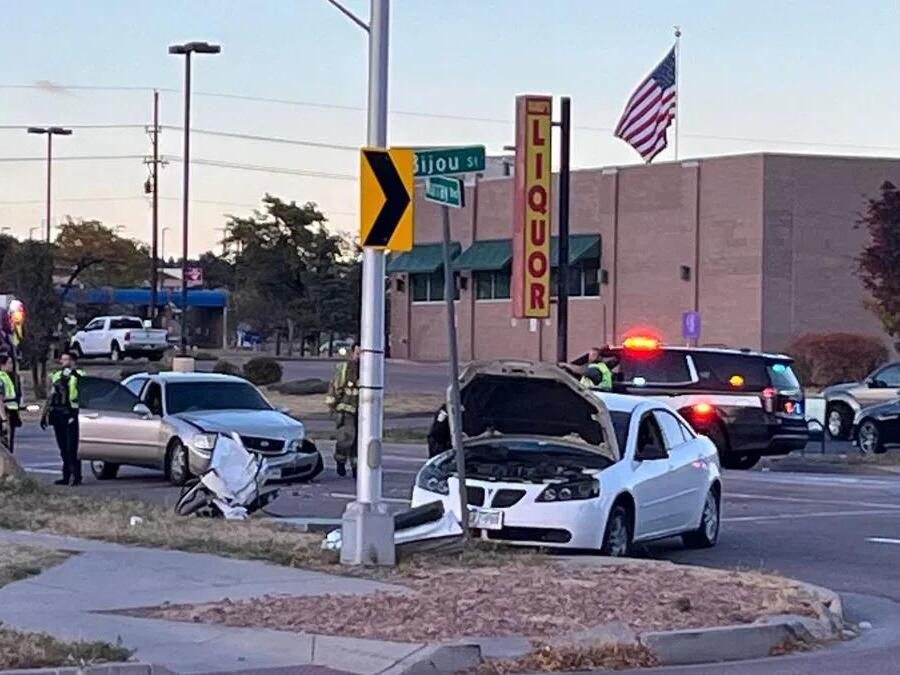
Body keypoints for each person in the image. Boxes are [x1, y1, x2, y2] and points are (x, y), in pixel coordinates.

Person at [40, 352, 84, 486]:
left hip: (72, 412)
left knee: (72, 446)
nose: (62, 362)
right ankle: (66, 476)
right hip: (58, 413)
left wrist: (72, 375)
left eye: (65, 359)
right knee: (63, 446)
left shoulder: (80, 375)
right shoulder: (57, 375)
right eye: (62, 359)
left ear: (72, 361)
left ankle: (76, 475)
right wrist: (45, 414)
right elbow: (51, 395)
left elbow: (82, 393)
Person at [326, 342, 360, 477]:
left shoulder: (371, 369)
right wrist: (333, 406)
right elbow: (335, 388)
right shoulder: (346, 368)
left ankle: (356, 467)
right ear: (353, 352)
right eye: (358, 353)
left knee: (359, 442)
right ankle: (340, 461)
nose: (360, 356)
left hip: (364, 413)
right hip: (347, 410)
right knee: (346, 439)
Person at [0, 355, 21, 453]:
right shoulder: (1, 378)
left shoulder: (7, 377)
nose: (12, 366)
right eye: (9, 363)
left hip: (11, 413)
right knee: (5, 448)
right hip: (5, 414)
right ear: (2, 365)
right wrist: (4, 420)